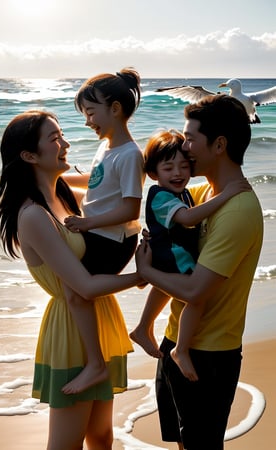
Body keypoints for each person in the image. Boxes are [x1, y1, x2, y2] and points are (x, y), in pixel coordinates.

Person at [0, 110, 143, 450]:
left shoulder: (65, 194)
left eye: (62, 135)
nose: (65, 144)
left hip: (100, 316)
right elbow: (83, 286)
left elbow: (114, 186)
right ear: (29, 155)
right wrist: (141, 275)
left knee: (101, 437)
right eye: (54, 139)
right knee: (65, 445)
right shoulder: (33, 216)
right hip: (72, 329)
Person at [135, 95, 263, 450]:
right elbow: (156, 195)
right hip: (176, 341)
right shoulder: (204, 191)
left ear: (219, 144)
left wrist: (145, 269)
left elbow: (194, 292)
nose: (185, 147)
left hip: (209, 356)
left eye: (191, 138)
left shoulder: (237, 211)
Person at [130, 128, 251, 382]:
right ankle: (181, 348)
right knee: (196, 298)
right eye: (168, 168)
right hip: (173, 254)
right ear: (153, 173)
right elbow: (187, 217)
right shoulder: (161, 196)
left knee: (163, 287)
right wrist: (226, 193)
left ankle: (143, 327)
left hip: (167, 255)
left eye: (184, 166)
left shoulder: (180, 192)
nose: (178, 173)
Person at [61, 68, 145, 393]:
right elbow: (96, 183)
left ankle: (96, 365)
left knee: (79, 292)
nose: (87, 122)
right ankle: (94, 359)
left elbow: (130, 209)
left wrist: (86, 222)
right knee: (75, 287)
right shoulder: (108, 147)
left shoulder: (130, 155)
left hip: (114, 239)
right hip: (99, 233)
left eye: (90, 112)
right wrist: (56, 179)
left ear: (115, 108)